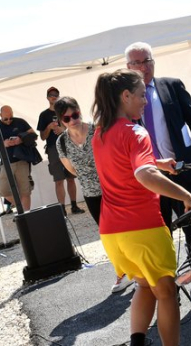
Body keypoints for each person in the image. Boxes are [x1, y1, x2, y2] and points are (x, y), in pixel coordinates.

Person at [92, 69, 191, 346]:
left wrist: (156, 162)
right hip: (142, 227)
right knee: (166, 292)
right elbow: (143, 175)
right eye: (141, 95)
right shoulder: (136, 131)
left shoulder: (100, 134)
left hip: (112, 232)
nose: (145, 101)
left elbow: (124, 166)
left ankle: (137, 342)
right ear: (125, 96)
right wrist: (187, 195)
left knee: (145, 285)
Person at [125, 42, 191, 238]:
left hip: (181, 169)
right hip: (151, 177)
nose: (143, 67)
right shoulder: (124, 100)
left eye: (147, 61)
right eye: (137, 63)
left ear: (153, 61)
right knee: (161, 234)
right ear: (128, 67)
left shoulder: (172, 86)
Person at [54, 95, 134, 293]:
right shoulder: (61, 143)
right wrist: (89, 175)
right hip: (91, 193)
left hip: (114, 186)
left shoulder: (98, 129)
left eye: (75, 114)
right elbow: (71, 169)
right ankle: (122, 272)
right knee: (108, 235)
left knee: (127, 229)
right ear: (60, 121)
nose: (73, 120)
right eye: (67, 118)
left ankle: (138, 269)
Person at [37, 86, 83, 216]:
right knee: (58, 180)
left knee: (71, 178)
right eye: (51, 95)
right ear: (47, 97)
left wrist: (63, 130)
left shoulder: (64, 112)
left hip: (67, 146)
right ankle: (62, 208)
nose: (54, 96)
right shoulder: (44, 115)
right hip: (52, 149)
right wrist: (49, 128)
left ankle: (74, 206)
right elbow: (42, 137)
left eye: (56, 94)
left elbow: (76, 128)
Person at [0, 105, 35, 212]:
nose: (9, 120)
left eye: (11, 118)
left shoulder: (20, 122)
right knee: (3, 190)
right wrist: (3, 144)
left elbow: (33, 135)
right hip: (6, 162)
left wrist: (21, 139)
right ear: (0, 115)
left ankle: (26, 214)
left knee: (25, 191)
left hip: (22, 161)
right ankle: (21, 208)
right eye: (6, 119)